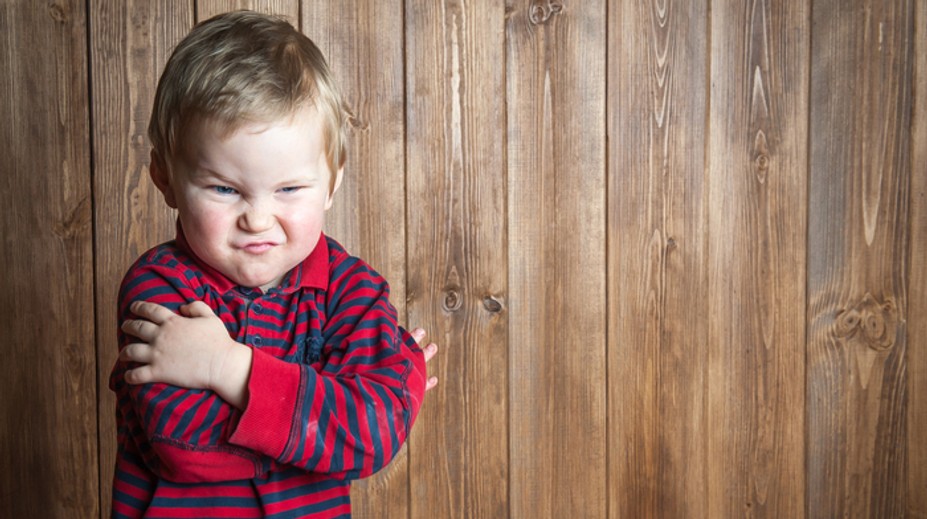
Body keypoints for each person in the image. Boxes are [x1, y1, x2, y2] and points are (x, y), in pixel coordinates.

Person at [109, 10, 437, 518]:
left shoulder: (352, 291)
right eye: (224, 189)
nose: (258, 219)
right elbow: (183, 446)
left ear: (331, 183)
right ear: (165, 179)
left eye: (289, 188)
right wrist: (342, 427)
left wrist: (226, 368)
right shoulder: (160, 287)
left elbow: (373, 436)